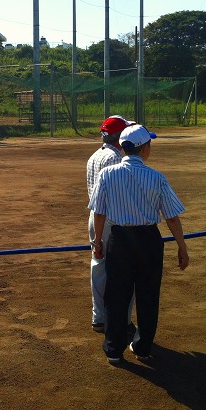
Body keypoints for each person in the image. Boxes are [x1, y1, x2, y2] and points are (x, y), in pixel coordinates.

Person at [88, 124, 190, 364]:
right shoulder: (156, 177)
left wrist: (97, 242)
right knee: (147, 294)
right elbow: (172, 216)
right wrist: (182, 247)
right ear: (144, 148)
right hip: (148, 241)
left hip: (119, 239)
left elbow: (99, 213)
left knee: (116, 295)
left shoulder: (108, 174)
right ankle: (143, 347)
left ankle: (113, 349)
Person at [86, 116, 136, 335]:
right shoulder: (116, 159)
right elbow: (118, 195)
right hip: (112, 219)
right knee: (121, 270)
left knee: (98, 265)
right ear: (119, 137)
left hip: (95, 216)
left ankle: (99, 317)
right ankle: (121, 320)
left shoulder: (94, 156)